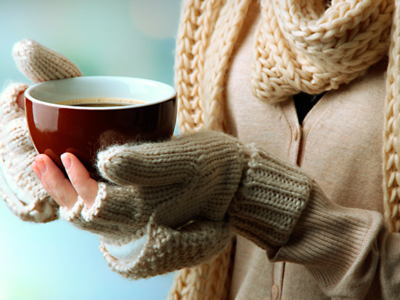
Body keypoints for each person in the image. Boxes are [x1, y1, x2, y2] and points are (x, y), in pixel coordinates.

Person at [1, 0, 400, 299]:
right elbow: (199, 224)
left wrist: (255, 194)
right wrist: (85, 159)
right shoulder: (223, 7)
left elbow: (231, 187)